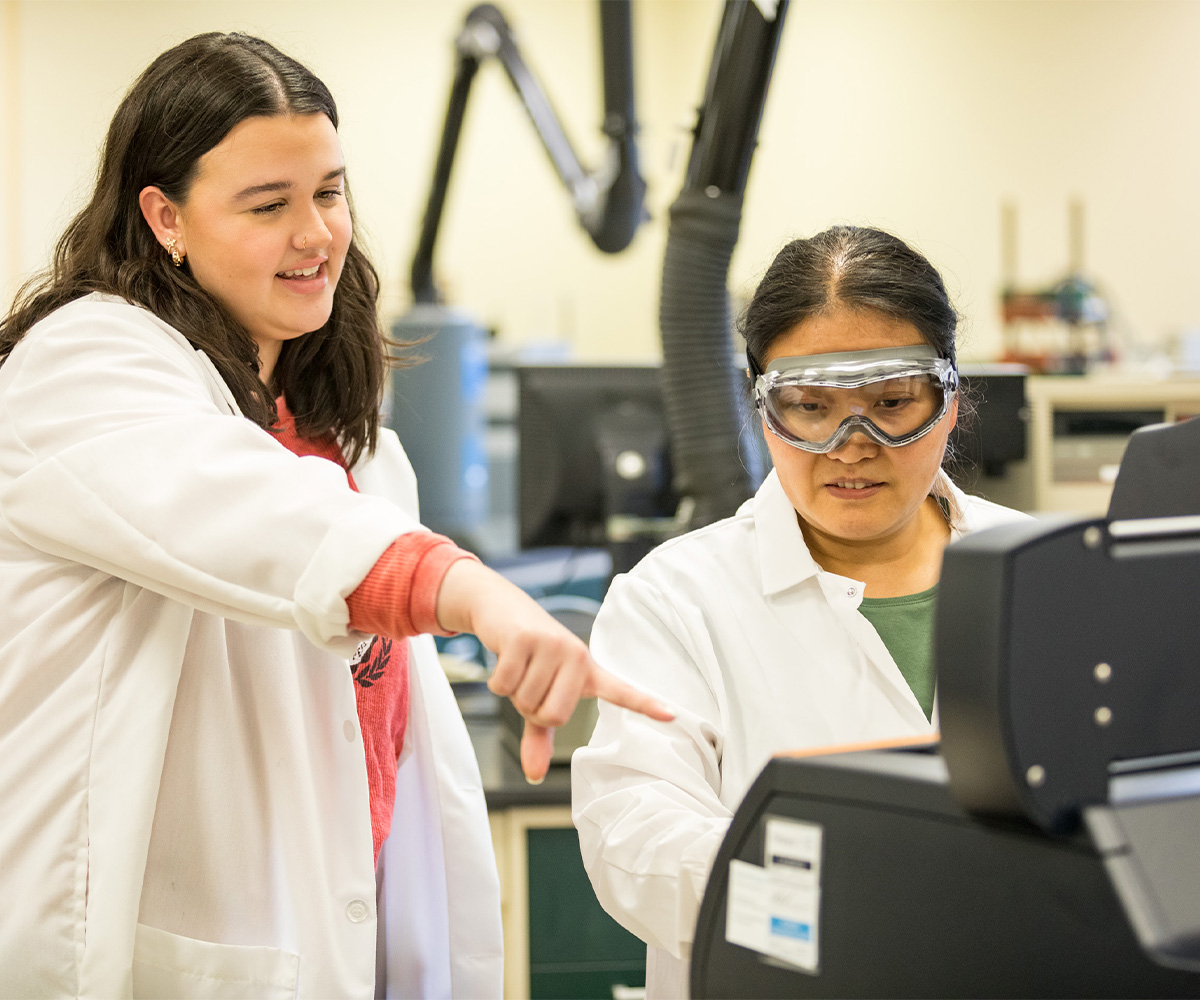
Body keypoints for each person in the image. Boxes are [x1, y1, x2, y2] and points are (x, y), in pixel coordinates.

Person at [0, 32, 670, 999]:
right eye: (268, 205)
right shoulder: (86, 366)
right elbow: (251, 514)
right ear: (164, 217)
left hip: (347, 938)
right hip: (169, 954)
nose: (316, 234)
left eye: (329, 191)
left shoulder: (348, 446)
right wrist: (467, 590)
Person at [571, 225, 1031, 998]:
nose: (852, 446)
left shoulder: (1041, 568)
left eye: (891, 402)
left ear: (948, 402)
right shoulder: (674, 599)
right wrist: (849, 899)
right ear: (762, 410)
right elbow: (635, 841)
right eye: (811, 409)